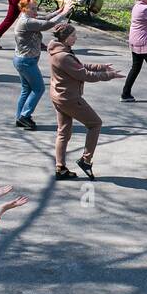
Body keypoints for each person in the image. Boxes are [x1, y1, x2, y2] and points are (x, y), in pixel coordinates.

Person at [47, 22, 122, 180]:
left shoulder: (60, 50)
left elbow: (79, 65)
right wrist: (109, 75)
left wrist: (100, 67)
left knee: (63, 132)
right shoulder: (63, 56)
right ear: (65, 38)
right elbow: (84, 74)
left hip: (59, 95)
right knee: (95, 124)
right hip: (69, 98)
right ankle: (86, 160)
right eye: (73, 36)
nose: (76, 38)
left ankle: (60, 169)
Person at [13, 0, 72, 129]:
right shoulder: (26, 22)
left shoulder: (28, 19)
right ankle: (25, 116)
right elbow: (47, 25)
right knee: (39, 88)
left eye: (36, 7)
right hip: (26, 62)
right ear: (24, 9)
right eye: (32, 8)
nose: (36, 10)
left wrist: (59, 11)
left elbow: (44, 19)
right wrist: (64, 14)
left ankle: (20, 117)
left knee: (26, 89)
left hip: (23, 60)